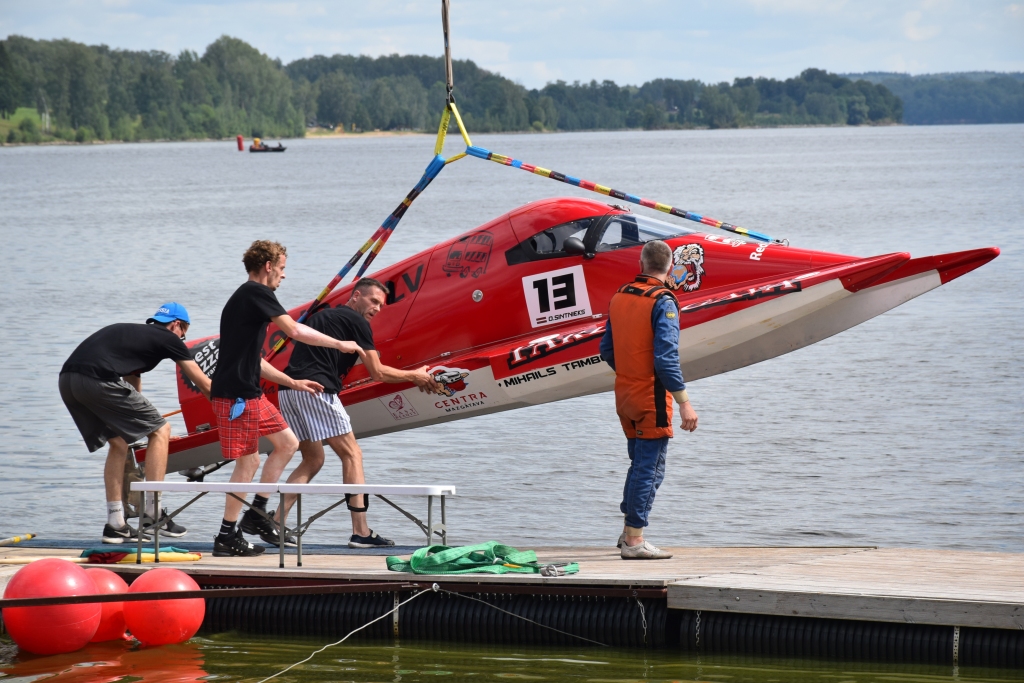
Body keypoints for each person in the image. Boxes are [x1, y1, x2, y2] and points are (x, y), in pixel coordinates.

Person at [210, 240, 367, 557]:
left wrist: (293, 382)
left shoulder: (248, 301)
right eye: (282, 269)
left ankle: (257, 514)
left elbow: (255, 361)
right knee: (249, 461)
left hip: (248, 391)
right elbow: (294, 330)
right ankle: (227, 535)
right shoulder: (256, 293)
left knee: (287, 443)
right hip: (236, 395)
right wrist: (340, 344)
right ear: (268, 266)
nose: (283, 276)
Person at [269, 278, 439, 548]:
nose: (377, 309)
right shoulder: (357, 322)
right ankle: (361, 532)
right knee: (352, 454)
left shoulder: (323, 317)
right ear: (356, 296)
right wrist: (415, 376)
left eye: (381, 305)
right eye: (373, 301)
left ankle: (275, 523)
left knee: (313, 460)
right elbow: (379, 373)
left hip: (288, 391)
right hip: (316, 391)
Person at [59, 303, 212, 543]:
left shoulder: (136, 340)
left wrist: (146, 423)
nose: (183, 338)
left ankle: (116, 523)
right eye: (184, 331)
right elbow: (204, 385)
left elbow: (132, 391)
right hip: (96, 379)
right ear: (176, 325)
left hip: (68, 381)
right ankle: (152, 513)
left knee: (119, 442)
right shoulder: (168, 338)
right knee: (162, 431)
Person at [599, 240, 699, 560]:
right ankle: (634, 541)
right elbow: (666, 359)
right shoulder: (663, 301)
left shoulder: (620, 295)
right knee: (650, 469)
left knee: (638, 464)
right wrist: (684, 401)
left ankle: (628, 531)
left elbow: (606, 350)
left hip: (624, 394)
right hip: (650, 397)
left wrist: (629, 371)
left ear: (641, 263)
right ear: (670, 266)